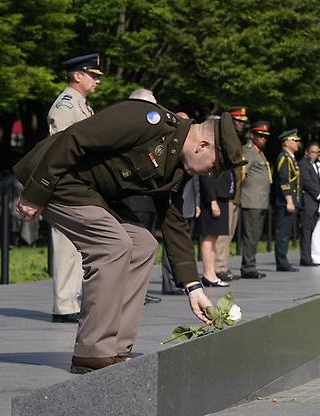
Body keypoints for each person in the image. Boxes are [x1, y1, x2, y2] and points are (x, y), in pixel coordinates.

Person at [14, 100, 246, 374]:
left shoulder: (177, 166)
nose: (209, 174)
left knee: (143, 244)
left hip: (93, 193)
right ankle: (92, 351)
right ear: (203, 145)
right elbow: (75, 139)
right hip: (58, 178)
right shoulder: (145, 120)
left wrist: (193, 287)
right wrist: (35, 191)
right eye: (213, 167)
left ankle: (117, 348)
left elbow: (173, 220)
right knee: (113, 245)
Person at [46, 54, 103, 323]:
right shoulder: (66, 106)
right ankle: (64, 304)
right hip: (66, 184)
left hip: (80, 183)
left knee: (77, 246)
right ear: (77, 76)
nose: (97, 81)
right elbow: (59, 150)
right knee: (66, 246)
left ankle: (72, 299)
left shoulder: (81, 105)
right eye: (93, 75)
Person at [214, 107, 248, 281]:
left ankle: (222, 265)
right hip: (225, 192)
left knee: (229, 233)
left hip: (235, 193)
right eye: (239, 121)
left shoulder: (235, 139)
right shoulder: (224, 138)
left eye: (243, 122)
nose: (241, 124)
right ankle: (218, 267)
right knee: (222, 233)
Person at [240, 121, 272, 279]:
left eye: (265, 136)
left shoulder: (259, 152)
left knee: (255, 235)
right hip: (251, 200)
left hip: (260, 200)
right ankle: (248, 267)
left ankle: (251, 265)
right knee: (251, 235)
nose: (263, 138)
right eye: (260, 135)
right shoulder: (249, 151)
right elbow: (242, 174)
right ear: (252, 135)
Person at [161, 175, 200, 294]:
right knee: (172, 243)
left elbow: (196, 183)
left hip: (189, 204)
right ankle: (170, 283)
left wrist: (197, 203)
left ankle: (181, 280)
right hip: (176, 204)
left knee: (184, 243)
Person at [199, 167, 233, 287]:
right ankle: (208, 274)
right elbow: (206, 178)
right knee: (209, 237)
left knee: (214, 238)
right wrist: (212, 200)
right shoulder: (210, 153)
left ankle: (211, 273)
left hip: (221, 197)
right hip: (213, 199)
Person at [274, 129, 301, 272]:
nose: (297, 143)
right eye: (294, 140)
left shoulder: (290, 157)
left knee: (286, 233)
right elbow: (284, 181)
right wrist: (289, 200)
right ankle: (281, 262)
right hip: (285, 202)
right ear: (286, 142)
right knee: (283, 233)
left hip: (290, 201)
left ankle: (283, 260)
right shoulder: (284, 157)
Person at [298, 141, 320, 266]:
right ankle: (305, 258)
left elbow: (318, 181)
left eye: (317, 152)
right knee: (306, 231)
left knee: (310, 231)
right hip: (307, 202)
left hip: (314, 203)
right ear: (306, 152)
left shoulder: (313, 165)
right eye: (313, 152)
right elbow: (306, 181)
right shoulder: (303, 164)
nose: (315, 154)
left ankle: (307, 257)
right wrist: (319, 193)